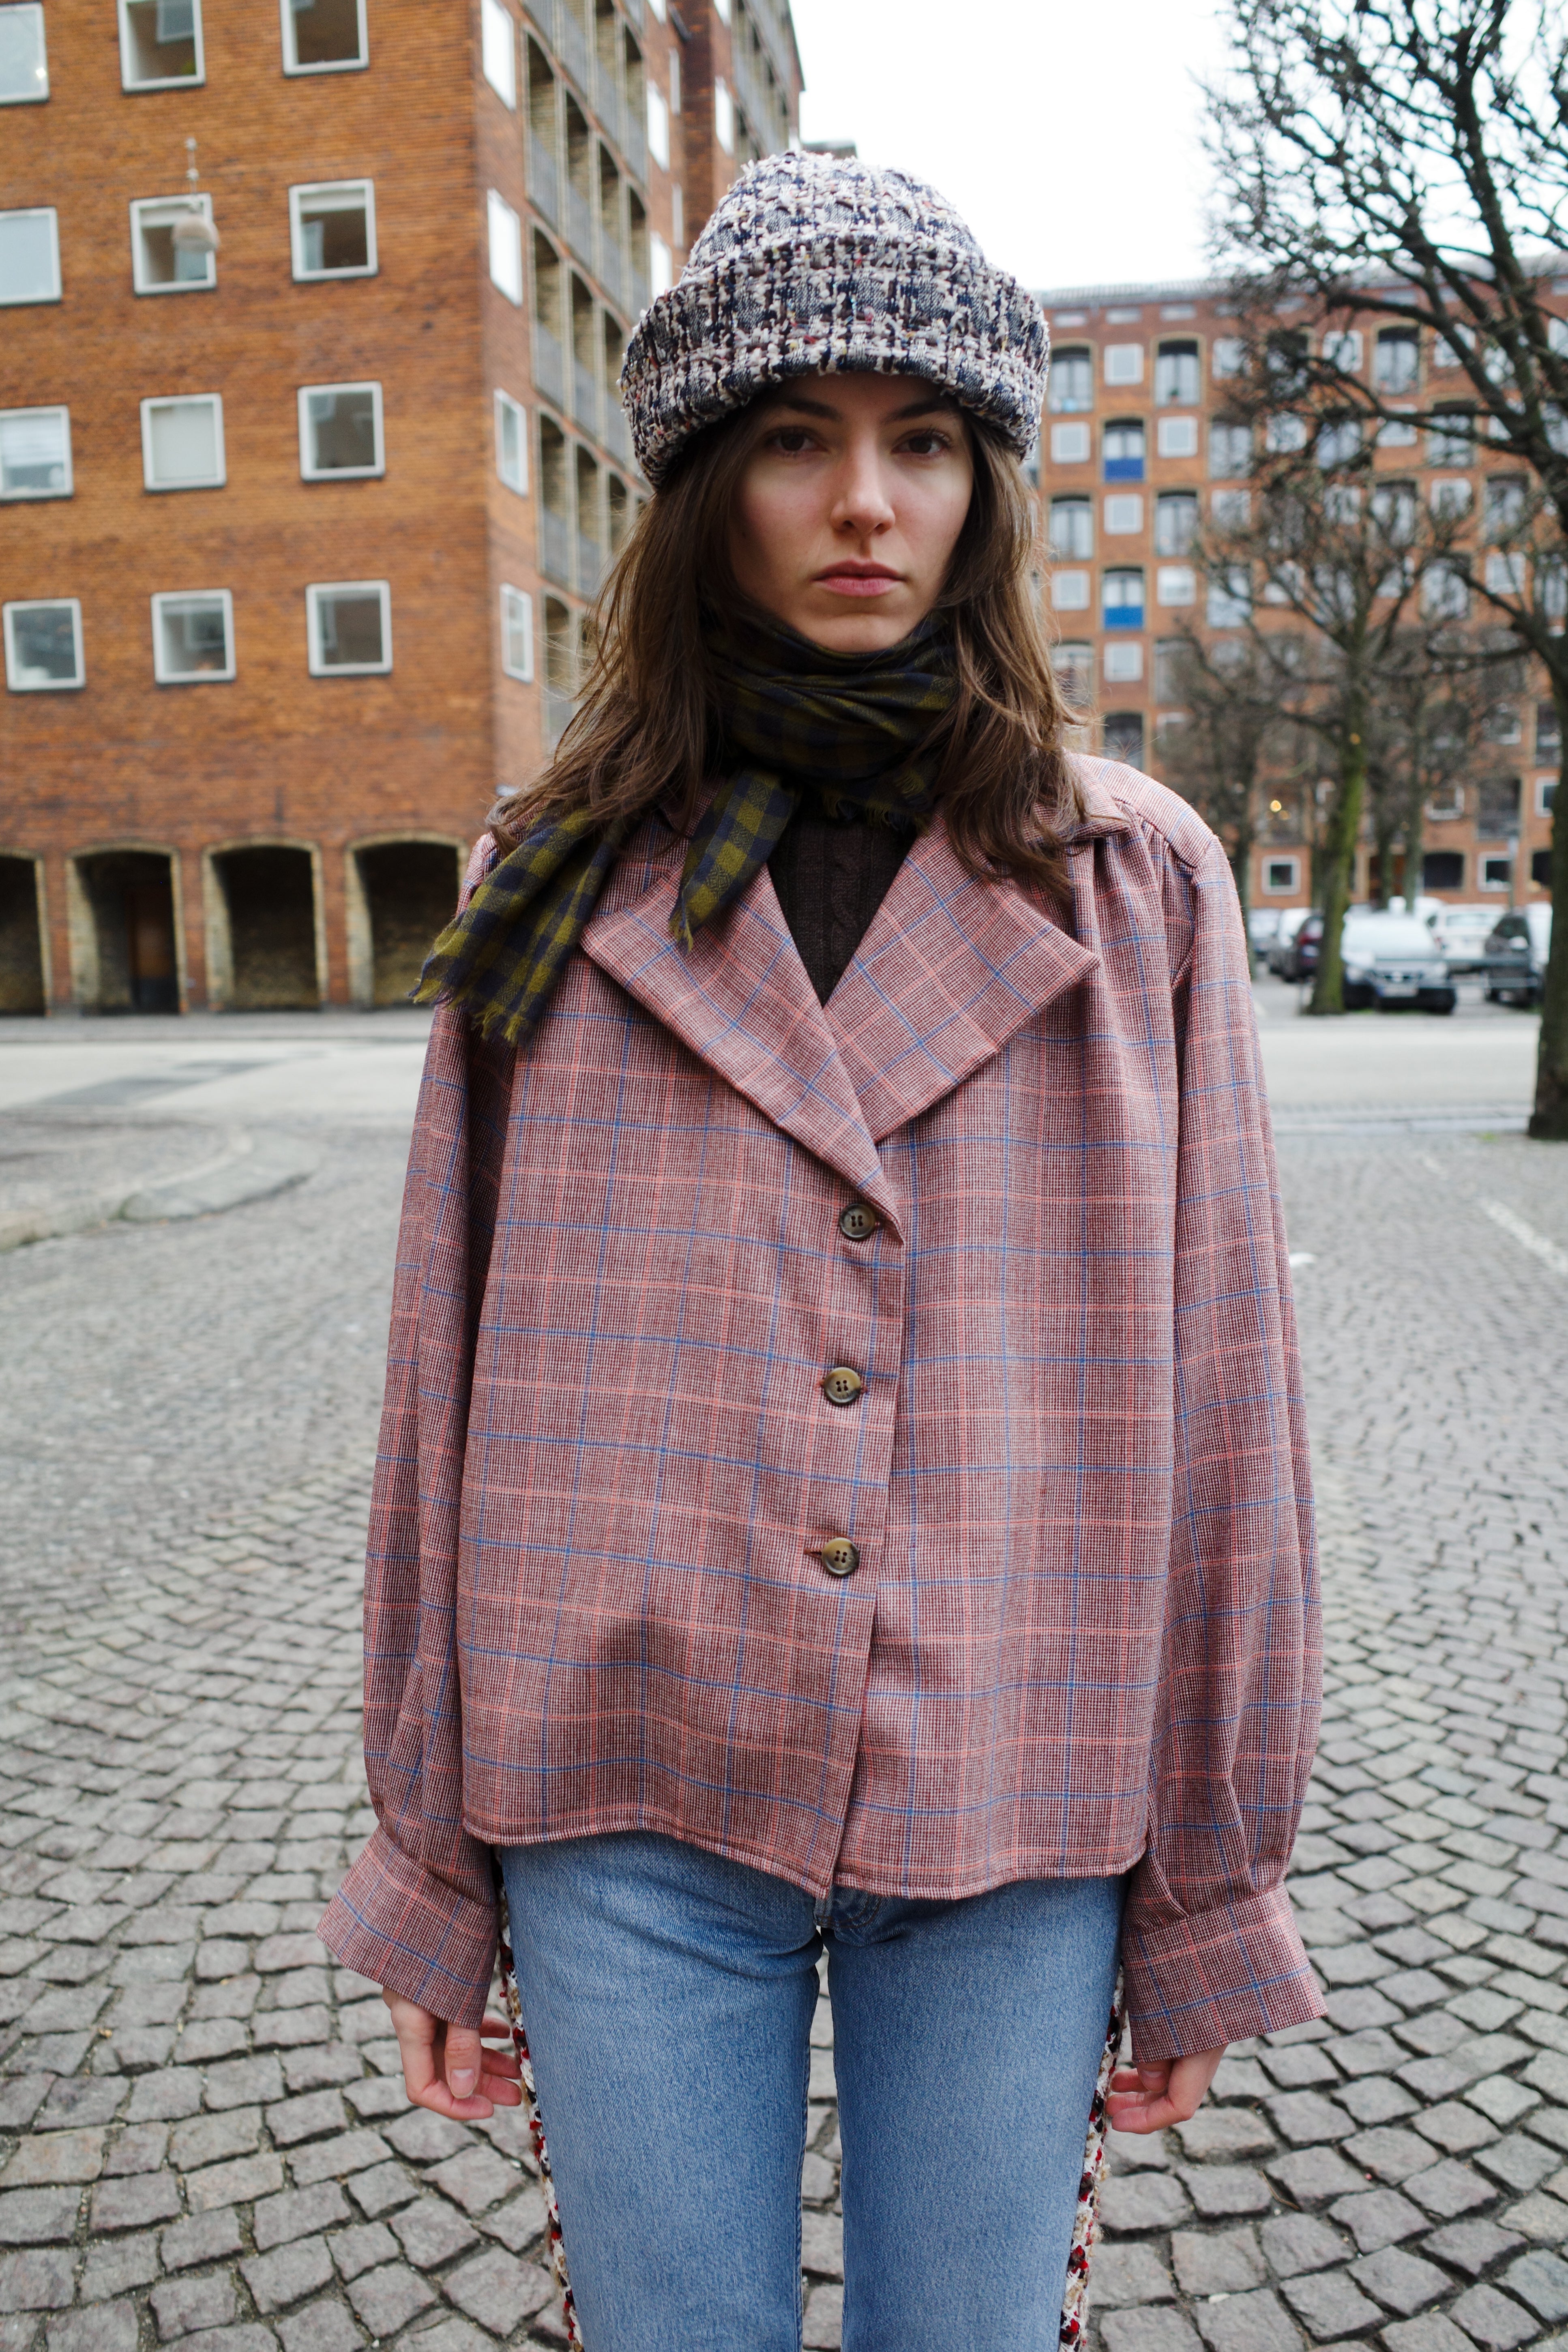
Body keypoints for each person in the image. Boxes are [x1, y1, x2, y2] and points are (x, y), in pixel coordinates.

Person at [321, 155, 1322, 2352]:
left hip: (1013, 1780)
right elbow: (436, 1362)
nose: (865, 499)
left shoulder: (1132, 884)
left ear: (986, 487)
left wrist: (1210, 1888)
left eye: (925, 439)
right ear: (706, 487)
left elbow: (1231, 1395)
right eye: (797, 437)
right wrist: (427, 1868)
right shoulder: (553, 875)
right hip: (626, 1780)